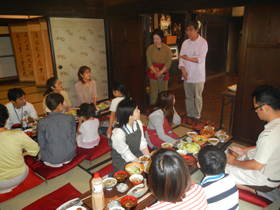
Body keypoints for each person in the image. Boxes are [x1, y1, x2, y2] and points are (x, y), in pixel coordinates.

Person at [226, 85, 280, 201]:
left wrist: (234, 162)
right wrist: (243, 150)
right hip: (274, 172)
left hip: (265, 180)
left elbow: (256, 165)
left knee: (220, 169)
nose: (255, 111)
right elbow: (271, 147)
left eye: (256, 108)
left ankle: (257, 191)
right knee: (235, 155)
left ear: (265, 107)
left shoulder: (269, 134)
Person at [0, 104, 39, 194]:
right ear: (6, 120)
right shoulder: (17, 134)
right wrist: (22, 154)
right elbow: (35, 149)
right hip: (19, 176)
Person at [179, 20, 208, 122]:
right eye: (187, 30)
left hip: (198, 75)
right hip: (186, 74)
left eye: (190, 30)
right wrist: (183, 71)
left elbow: (200, 59)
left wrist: (187, 58)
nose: (188, 32)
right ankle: (190, 114)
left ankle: (197, 116)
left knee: (198, 97)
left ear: (196, 30)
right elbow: (181, 58)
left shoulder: (203, 43)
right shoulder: (185, 43)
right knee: (188, 96)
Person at [108, 99, 150, 171]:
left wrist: (148, 159)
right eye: (136, 110)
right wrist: (141, 165)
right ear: (129, 115)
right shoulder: (118, 133)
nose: (139, 111)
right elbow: (126, 154)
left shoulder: (138, 123)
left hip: (136, 154)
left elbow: (142, 143)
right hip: (122, 160)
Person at [37, 93, 76, 167]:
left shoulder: (42, 122)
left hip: (51, 160)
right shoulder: (70, 117)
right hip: (70, 155)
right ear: (60, 105)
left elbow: (41, 143)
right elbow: (73, 137)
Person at [197, 145, 239, 210]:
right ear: (225, 165)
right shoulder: (230, 180)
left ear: (198, 165)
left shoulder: (201, 190)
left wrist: (195, 186)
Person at [146, 29, 172, 106]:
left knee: (163, 91)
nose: (155, 41)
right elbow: (149, 62)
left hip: (163, 71)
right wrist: (155, 72)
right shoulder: (150, 48)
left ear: (162, 38)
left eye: (157, 38)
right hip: (153, 71)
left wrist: (160, 72)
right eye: (154, 39)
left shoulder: (167, 48)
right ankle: (153, 107)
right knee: (153, 91)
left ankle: (163, 107)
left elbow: (168, 62)